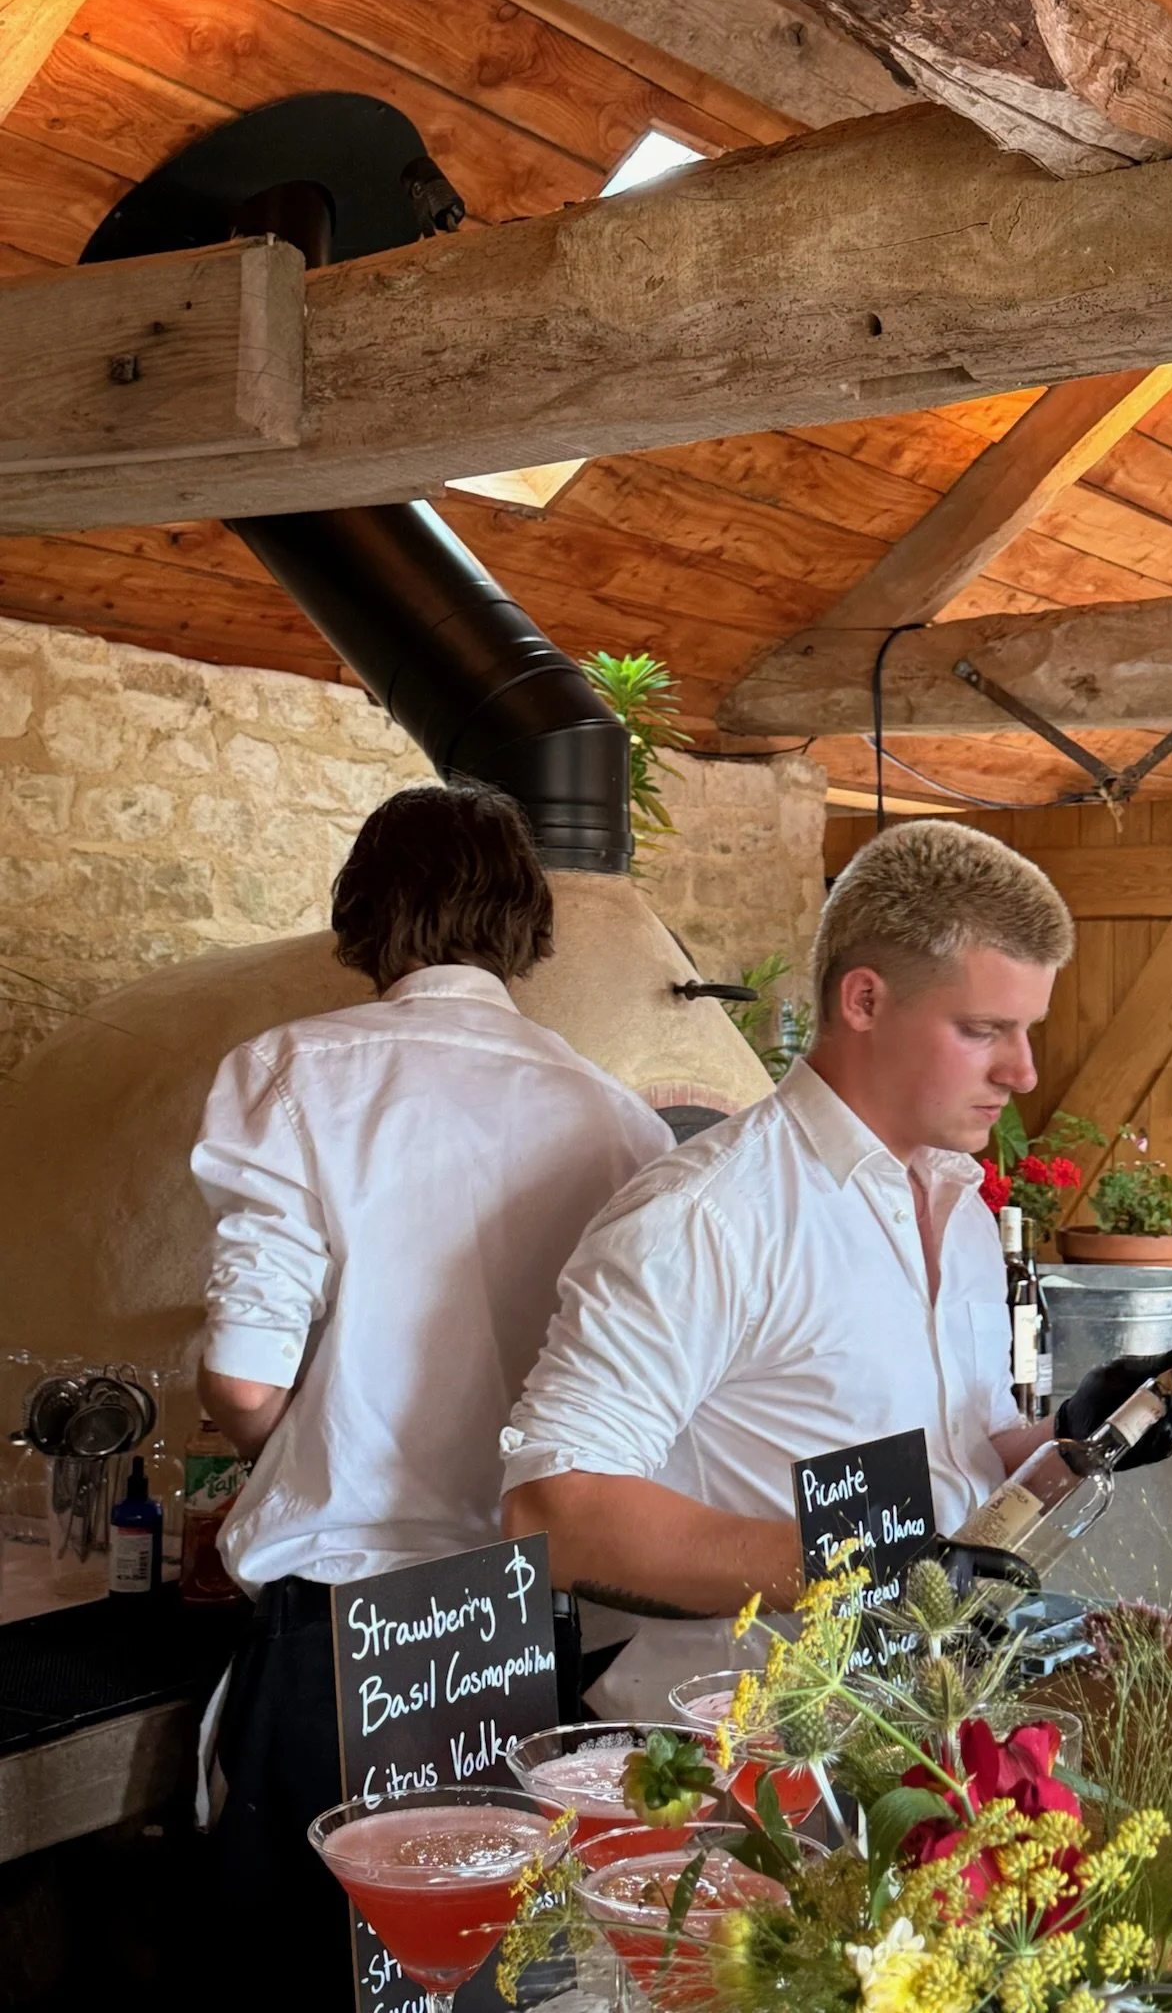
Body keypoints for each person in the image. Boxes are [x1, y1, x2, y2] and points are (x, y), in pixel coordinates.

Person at [501, 820, 1172, 1717]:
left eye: (1026, 1029)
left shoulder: (960, 1208)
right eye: (984, 1029)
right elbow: (553, 1512)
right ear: (865, 1000)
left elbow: (962, 1454)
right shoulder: (708, 1215)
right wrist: (857, 1569)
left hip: (920, 1727)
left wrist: (1076, 1436)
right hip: (736, 1760)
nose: (1025, 1072)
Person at [193, 783, 671, 2009]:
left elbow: (245, 1379)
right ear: (527, 923)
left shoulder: (293, 1073)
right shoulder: (620, 1124)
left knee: (301, 1980)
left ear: (364, 910)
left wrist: (290, 1446)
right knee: (490, 1991)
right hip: (519, 1643)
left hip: (339, 1638)